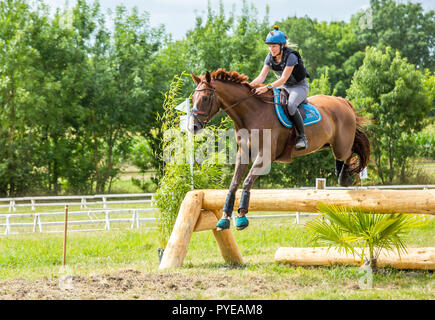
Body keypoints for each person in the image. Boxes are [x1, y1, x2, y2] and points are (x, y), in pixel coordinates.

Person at [250, 26, 310, 150]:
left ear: (282, 46)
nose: (271, 49)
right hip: (284, 86)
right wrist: (248, 87)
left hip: (299, 87)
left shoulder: (291, 56)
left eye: (274, 46)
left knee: (291, 105)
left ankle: (302, 137)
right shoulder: (269, 57)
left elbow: (283, 79)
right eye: (269, 46)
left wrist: (267, 87)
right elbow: (261, 77)